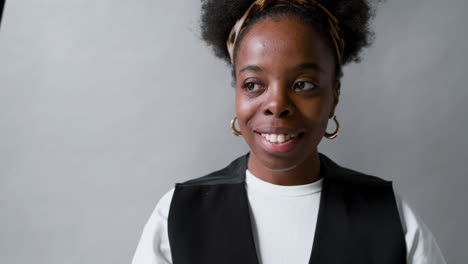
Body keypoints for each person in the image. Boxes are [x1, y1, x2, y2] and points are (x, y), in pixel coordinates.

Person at [132, 0, 446, 263]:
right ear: (237, 94)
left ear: (333, 96)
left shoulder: (391, 218)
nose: (277, 104)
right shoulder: (179, 215)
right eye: (253, 85)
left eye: (303, 84)